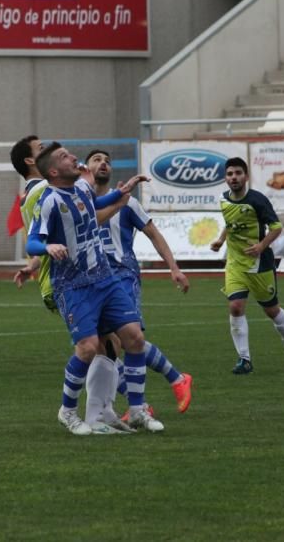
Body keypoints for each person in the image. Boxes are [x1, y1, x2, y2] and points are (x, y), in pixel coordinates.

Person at [26, 142, 164, 435]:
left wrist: (123, 190)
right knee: (88, 348)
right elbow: (31, 242)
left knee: (134, 337)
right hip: (74, 286)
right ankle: (67, 411)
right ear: (53, 170)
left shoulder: (83, 189)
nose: (73, 157)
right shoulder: (49, 201)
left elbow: (99, 203)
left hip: (105, 278)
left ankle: (137, 410)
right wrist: (47, 245)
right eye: (65, 156)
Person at [83, 149, 193, 424]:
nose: (103, 163)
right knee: (103, 347)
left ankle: (170, 382)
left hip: (122, 276)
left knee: (127, 338)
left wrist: (174, 268)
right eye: (97, 160)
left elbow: (154, 234)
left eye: (107, 160)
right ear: (86, 167)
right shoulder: (79, 204)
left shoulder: (128, 203)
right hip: (91, 280)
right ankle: (141, 402)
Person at [209, 157, 284, 375]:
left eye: (238, 173)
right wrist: (221, 240)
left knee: (271, 310)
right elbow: (230, 224)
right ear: (225, 178)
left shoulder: (257, 201)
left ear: (246, 176)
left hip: (260, 264)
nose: (234, 177)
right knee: (235, 306)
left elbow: (277, 228)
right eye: (230, 174)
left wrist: (261, 246)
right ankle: (244, 359)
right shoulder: (224, 200)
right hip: (235, 263)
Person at [9, 135, 54, 311]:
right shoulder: (46, 189)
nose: (48, 151)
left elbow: (45, 240)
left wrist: (32, 265)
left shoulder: (28, 195)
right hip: (64, 279)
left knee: (118, 336)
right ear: (30, 160)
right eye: (41, 148)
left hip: (52, 280)